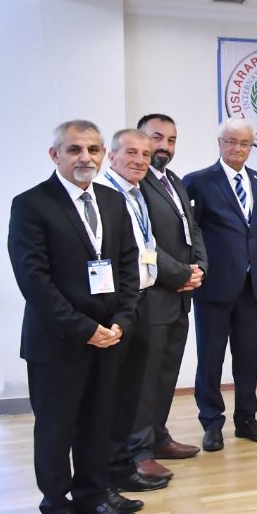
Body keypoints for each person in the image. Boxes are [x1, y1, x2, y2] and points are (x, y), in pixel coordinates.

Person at [9, 120, 140, 514]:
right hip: (58, 341)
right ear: (55, 155)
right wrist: (85, 329)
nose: (86, 157)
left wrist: (121, 321)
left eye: (93, 149)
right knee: (56, 429)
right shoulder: (31, 205)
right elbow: (34, 281)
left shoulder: (112, 201)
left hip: (108, 337)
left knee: (98, 422)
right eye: (75, 149)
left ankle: (92, 496)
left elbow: (128, 267)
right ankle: (56, 507)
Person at [183, 119, 257, 451]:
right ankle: (211, 422)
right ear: (219, 142)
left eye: (245, 143)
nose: (238, 148)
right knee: (211, 358)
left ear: (252, 146)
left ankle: (246, 419)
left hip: (251, 285)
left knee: (248, 356)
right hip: (214, 285)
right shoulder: (197, 181)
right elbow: (189, 232)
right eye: (231, 141)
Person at [130, 114, 206, 480]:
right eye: (157, 138)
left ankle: (158, 437)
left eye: (171, 140)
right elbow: (142, 241)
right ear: (140, 140)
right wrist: (180, 274)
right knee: (145, 377)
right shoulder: (134, 184)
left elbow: (193, 230)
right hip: (154, 295)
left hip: (180, 295)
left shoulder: (174, 180)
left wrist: (199, 268)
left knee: (166, 372)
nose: (164, 146)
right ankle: (139, 449)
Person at [95, 130, 168, 495]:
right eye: (131, 153)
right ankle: (107, 473)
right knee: (110, 393)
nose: (140, 160)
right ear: (111, 156)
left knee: (132, 390)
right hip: (115, 306)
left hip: (142, 298)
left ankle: (124, 466)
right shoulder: (106, 197)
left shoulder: (138, 194)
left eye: (145, 154)